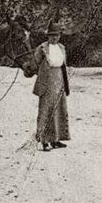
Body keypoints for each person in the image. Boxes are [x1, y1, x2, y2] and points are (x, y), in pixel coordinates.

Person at [23, 22, 71, 151]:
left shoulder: (62, 48)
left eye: (57, 35)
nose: (54, 38)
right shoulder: (42, 48)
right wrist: (28, 70)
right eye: (52, 35)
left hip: (59, 82)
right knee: (46, 111)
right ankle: (44, 141)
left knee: (59, 110)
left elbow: (63, 66)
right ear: (48, 36)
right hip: (46, 83)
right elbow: (34, 64)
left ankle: (56, 139)